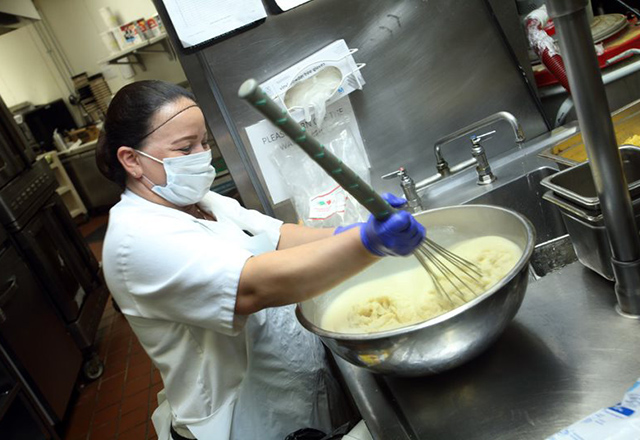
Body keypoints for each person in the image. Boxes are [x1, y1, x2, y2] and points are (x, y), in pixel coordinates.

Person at [97, 80, 425, 440]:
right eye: (184, 147)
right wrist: (369, 244)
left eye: (203, 142)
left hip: (295, 392)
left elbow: (281, 236)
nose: (202, 155)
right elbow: (252, 286)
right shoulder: (135, 240)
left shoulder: (205, 202)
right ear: (131, 160)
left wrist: (353, 232)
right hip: (245, 421)